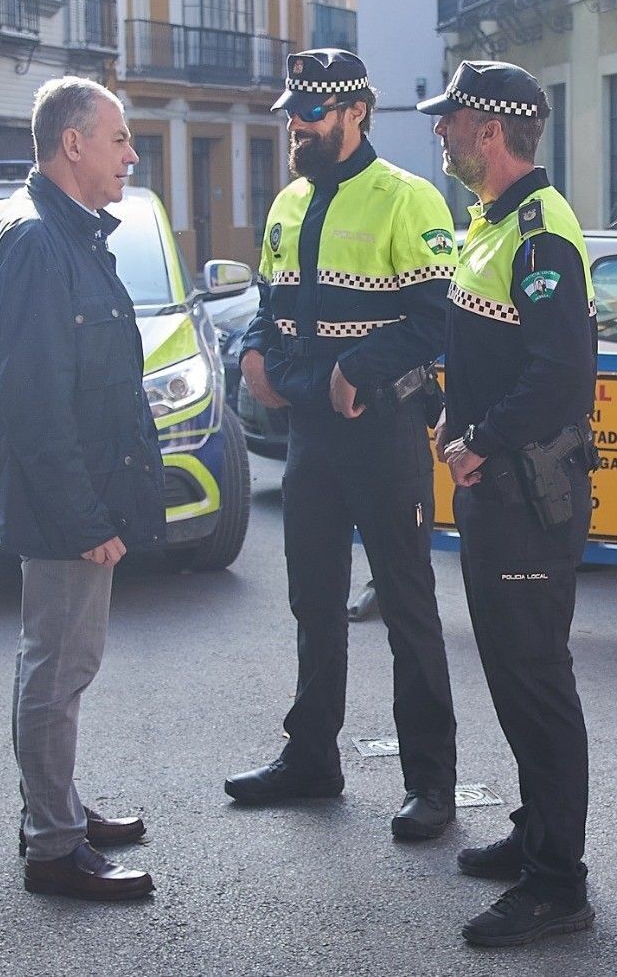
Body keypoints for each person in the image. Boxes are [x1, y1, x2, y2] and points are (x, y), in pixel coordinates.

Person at [225, 49, 460, 842]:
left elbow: (437, 320)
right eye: (293, 113)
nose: (297, 126)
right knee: (313, 602)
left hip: (385, 430)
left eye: (313, 113)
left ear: (357, 112)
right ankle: (311, 760)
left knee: (406, 606)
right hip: (311, 436)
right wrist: (253, 351)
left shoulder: (407, 198)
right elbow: (269, 303)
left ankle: (431, 783)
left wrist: (357, 367)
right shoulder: (289, 202)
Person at [418, 61, 599, 947]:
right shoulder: (491, 223)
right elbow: (492, 352)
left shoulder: (540, 232)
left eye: (450, 120)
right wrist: (456, 419)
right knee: (515, 675)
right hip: (502, 489)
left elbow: (560, 375)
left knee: (535, 681)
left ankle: (557, 885)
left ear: (490, 131)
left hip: (529, 491)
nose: (440, 132)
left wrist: (479, 440)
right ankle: (538, 834)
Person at [0, 75, 160, 901]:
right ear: (73, 144)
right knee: (56, 668)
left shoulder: (64, 232)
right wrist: (84, 517)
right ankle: (53, 847)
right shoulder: (36, 242)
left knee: (62, 663)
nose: (131, 155)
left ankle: (58, 810)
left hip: (75, 495)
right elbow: (36, 402)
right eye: (119, 139)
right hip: (62, 506)